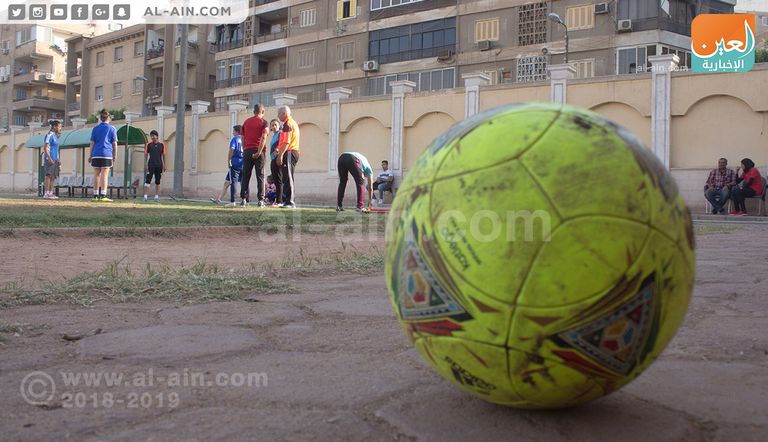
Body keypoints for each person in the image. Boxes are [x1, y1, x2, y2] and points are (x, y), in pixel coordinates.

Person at [240, 104, 269, 207]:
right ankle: (261, 200)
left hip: (247, 150)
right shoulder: (264, 123)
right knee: (260, 175)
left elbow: (242, 137)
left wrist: (244, 148)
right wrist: (259, 151)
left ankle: (244, 198)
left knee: (246, 175)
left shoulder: (246, 122)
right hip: (258, 150)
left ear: (254, 111)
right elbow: (264, 137)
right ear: (263, 111)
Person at [88, 109, 117, 202]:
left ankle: (95, 195)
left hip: (96, 153)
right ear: (108, 118)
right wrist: (114, 155)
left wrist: (90, 155)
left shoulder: (95, 128)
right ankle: (103, 194)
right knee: (105, 174)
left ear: (100, 118)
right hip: (107, 154)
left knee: (96, 174)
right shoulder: (112, 129)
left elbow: (92, 142)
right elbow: (114, 143)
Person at [276, 105, 300, 208]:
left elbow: (286, 142)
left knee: (289, 177)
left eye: (279, 114)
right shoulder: (289, 123)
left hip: (290, 152)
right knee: (286, 177)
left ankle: (290, 201)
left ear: (284, 113)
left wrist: (280, 155)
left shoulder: (288, 124)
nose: (278, 116)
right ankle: (287, 201)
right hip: (289, 151)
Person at [143, 130, 166, 203]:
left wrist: (164, 165)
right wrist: (146, 164)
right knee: (147, 181)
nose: (152, 137)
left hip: (159, 165)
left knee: (158, 181)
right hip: (151, 164)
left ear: (157, 136)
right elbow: (146, 155)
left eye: (153, 135)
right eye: (151, 136)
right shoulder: (149, 145)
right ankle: (145, 196)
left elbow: (164, 156)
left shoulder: (162, 145)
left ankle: (156, 196)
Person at [42, 120, 62, 200]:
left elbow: (55, 149)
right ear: (54, 127)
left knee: (53, 176)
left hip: (55, 159)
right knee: (48, 175)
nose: (60, 128)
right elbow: (46, 147)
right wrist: (49, 158)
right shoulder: (49, 135)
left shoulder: (55, 136)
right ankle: (46, 193)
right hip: (49, 159)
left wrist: (58, 159)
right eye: (59, 126)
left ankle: (51, 193)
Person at [227, 125, 245, 207]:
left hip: (235, 162)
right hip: (244, 162)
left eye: (233, 131)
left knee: (233, 182)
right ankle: (245, 200)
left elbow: (232, 149)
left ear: (237, 131)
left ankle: (232, 201)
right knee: (244, 182)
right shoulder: (244, 139)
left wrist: (229, 160)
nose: (232, 132)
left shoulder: (235, 139)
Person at [267, 118, 282, 207]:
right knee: (275, 180)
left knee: (279, 180)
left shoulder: (280, 133)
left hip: (277, 158)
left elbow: (281, 144)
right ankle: (277, 200)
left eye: (275, 124)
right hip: (273, 159)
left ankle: (279, 201)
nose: (274, 126)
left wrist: (277, 152)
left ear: (279, 125)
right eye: (272, 125)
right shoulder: (274, 135)